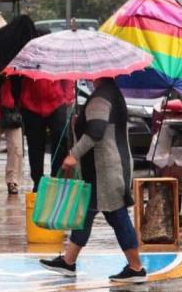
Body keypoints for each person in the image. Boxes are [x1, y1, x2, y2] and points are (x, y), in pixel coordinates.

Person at [40, 78, 146, 283]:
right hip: (101, 169)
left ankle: (136, 267)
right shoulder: (108, 92)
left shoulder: (101, 97)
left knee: (116, 214)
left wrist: (74, 154)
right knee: (86, 212)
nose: (87, 77)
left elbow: (96, 131)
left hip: (106, 169)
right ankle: (68, 261)